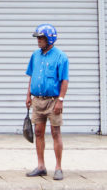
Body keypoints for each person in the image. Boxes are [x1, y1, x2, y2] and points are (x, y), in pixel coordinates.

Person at [25, 23, 69, 181]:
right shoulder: (35, 55)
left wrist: (60, 100)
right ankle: (41, 166)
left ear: (50, 39)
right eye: (38, 38)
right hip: (38, 101)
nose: (38, 41)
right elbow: (32, 76)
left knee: (56, 133)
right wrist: (28, 95)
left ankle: (58, 167)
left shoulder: (60, 57)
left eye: (41, 38)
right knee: (38, 132)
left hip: (53, 101)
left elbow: (64, 81)